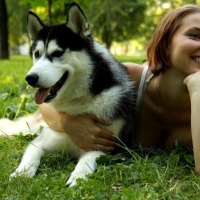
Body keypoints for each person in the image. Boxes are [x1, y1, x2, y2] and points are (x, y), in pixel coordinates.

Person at [39, 4, 200, 172]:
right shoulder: (130, 77)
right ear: (166, 44)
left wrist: (197, 87)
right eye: (195, 35)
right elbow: (45, 103)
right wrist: (66, 123)